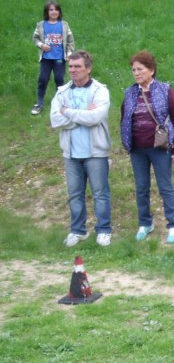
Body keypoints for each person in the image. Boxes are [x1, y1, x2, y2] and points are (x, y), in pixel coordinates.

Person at [50, 51, 112, 247]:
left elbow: (95, 118)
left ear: (88, 68)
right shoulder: (62, 92)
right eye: (70, 66)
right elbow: (55, 120)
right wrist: (83, 115)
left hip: (96, 152)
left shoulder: (100, 90)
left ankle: (104, 230)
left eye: (77, 66)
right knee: (75, 194)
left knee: (100, 193)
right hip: (71, 154)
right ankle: (78, 231)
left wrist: (68, 112)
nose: (73, 70)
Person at [120, 51, 174, 244]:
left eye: (140, 69)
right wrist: (126, 142)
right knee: (141, 188)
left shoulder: (165, 90)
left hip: (160, 148)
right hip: (137, 150)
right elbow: (124, 118)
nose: (136, 73)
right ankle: (145, 223)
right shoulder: (130, 92)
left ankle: (173, 225)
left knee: (165, 187)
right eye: (133, 70)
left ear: (152, 70)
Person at [32, 0, 76, 116]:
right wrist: (41, 45)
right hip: (46, 58)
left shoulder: (64, 25)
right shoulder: (41, 25)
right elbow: (35, 38)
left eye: (56, 9)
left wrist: (69, 53)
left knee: (59, 79)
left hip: (59, 59)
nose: (54, 12)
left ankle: (60, 103)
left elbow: (70, 41)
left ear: (59, 12)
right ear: (47, 12)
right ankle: (39, 103)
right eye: (51, 10)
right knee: (43, 79)